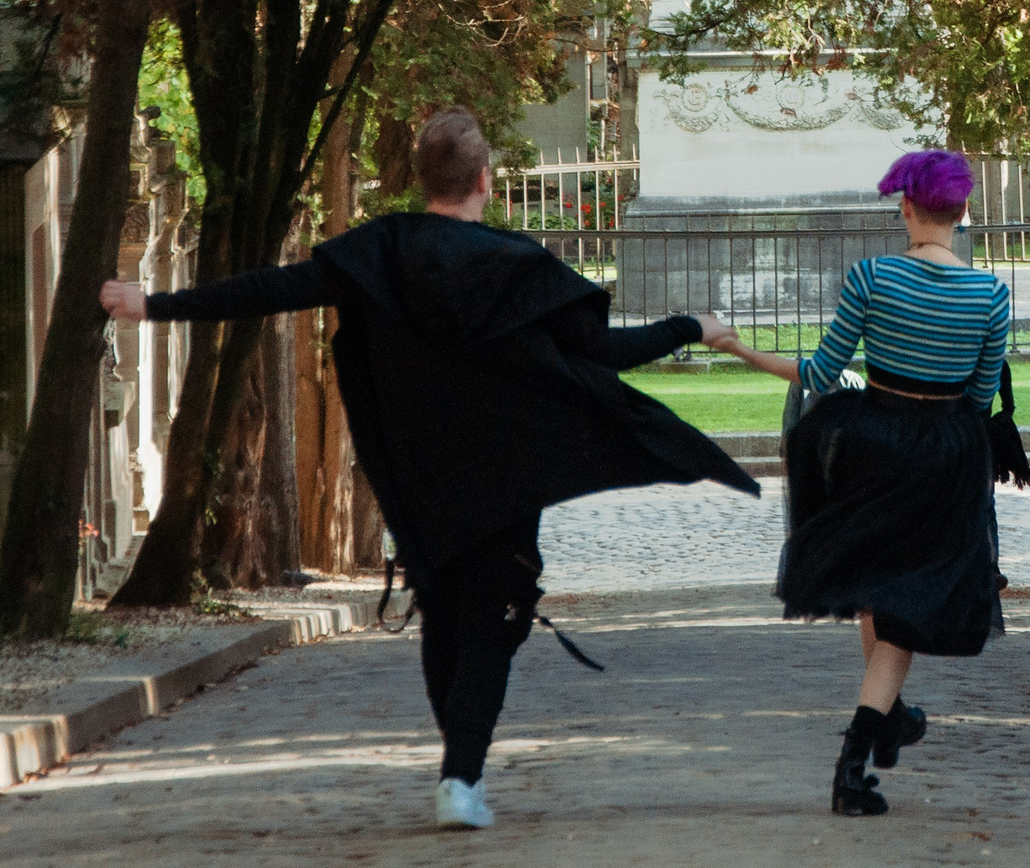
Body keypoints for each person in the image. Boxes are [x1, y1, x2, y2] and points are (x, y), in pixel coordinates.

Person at [99, 107, 756, 831]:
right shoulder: (519, 267)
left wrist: (152, 304)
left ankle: (459, 769)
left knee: (445, 615)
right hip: (504, 478)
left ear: (423, 179)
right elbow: (606, 354)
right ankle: (460, 776)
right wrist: (694, 327)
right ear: (485, 180)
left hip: (416, 477)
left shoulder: (380, 252)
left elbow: (271, 290)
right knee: (489, 620)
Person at [708, 149, 1012, 816]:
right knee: (898, 603)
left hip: (873, 448)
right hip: (945, 457)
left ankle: (886, 719)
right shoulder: (991, 296)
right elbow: (980, 396)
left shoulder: (872, 277)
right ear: (963, 212)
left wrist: (739, 348)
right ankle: (854, 762)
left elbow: (820, 373)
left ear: (907, 208)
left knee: (883, 593)